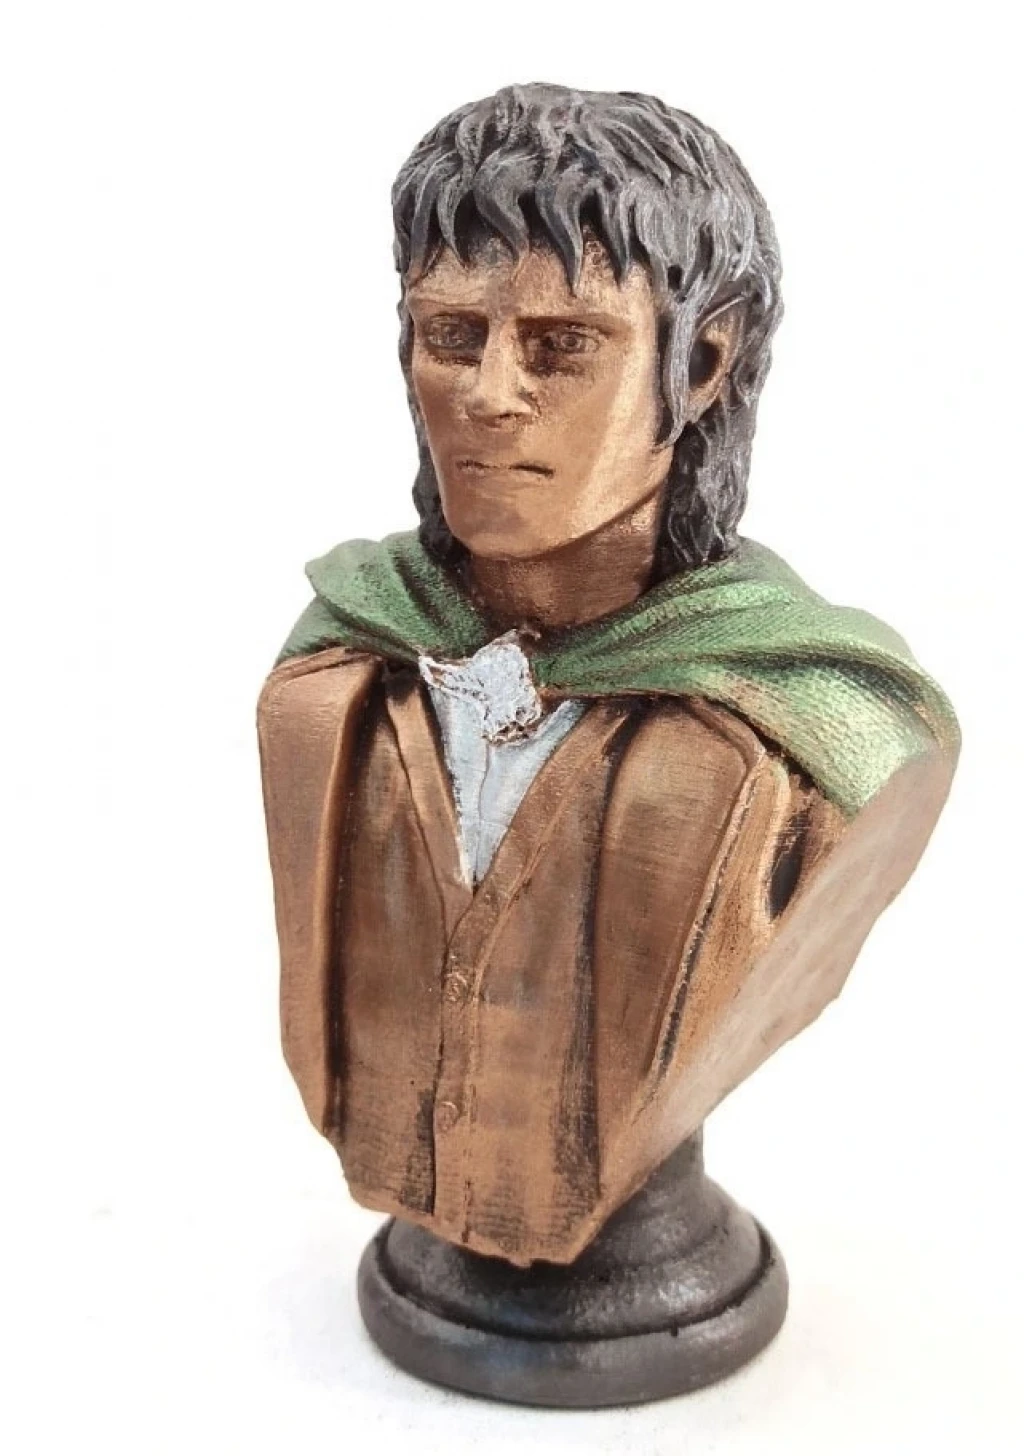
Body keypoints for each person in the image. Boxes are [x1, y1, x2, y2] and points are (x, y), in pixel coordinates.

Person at [257, 84, 959, 1269]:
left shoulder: (824, 740)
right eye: (451, 335)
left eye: (561, 346)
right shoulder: (333, 683)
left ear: (704, 362)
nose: (488, 395)